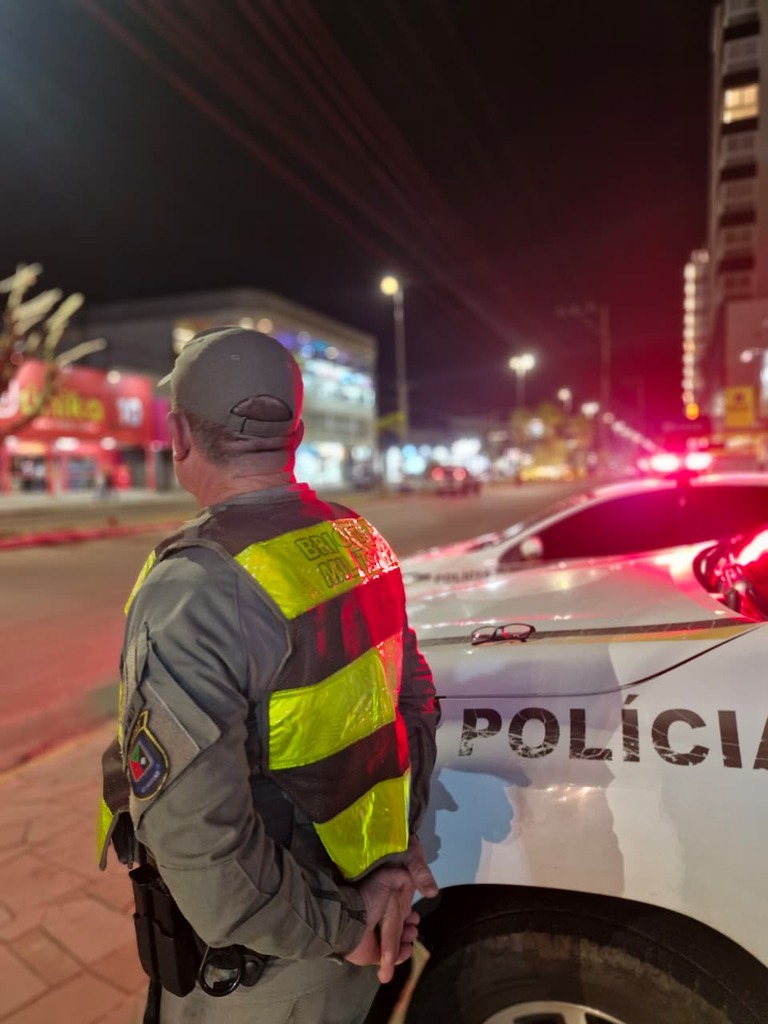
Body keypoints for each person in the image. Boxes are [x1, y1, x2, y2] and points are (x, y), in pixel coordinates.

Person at [98, 326, 439, 1024]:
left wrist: (344, 926)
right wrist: (393, 868)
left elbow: (205, 848)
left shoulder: (196, 587)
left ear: (180, 437)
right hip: (352, 929)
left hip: (266, 967)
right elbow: (414, 709)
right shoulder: (359, 542)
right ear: (298, 432)